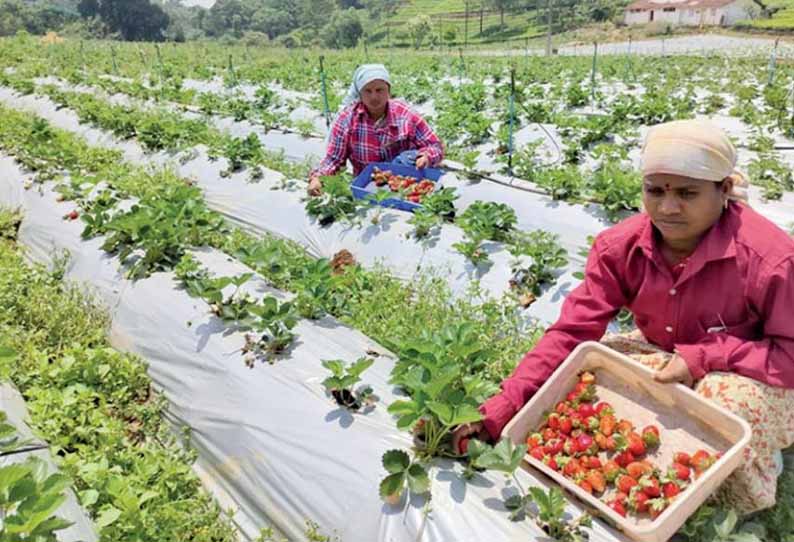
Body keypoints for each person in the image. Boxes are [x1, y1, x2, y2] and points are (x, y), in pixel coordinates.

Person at [452, 119, 794, 515]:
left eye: (687, 193)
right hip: (663, 352)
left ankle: (725, 502)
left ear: (725, 190)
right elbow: (570, 335)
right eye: (655, 191)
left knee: (725, 402)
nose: (668, 208)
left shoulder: (771, 259)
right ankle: (637, 475)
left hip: (753, 373)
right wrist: (500, 409)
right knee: (585, 371)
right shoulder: (620, 248)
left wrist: (707, 357)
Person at [307, 64, 444, 196]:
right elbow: (334, 159)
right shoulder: (347, 120)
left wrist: (426, 156)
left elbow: (434, 145)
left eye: (379, 90)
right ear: (359, 94)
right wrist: (317, 178)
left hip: (405, 183)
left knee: (405, 159)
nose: (374, 96)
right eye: (368, 91)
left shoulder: (406, 115)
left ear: (388, 91)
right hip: (368, 184)